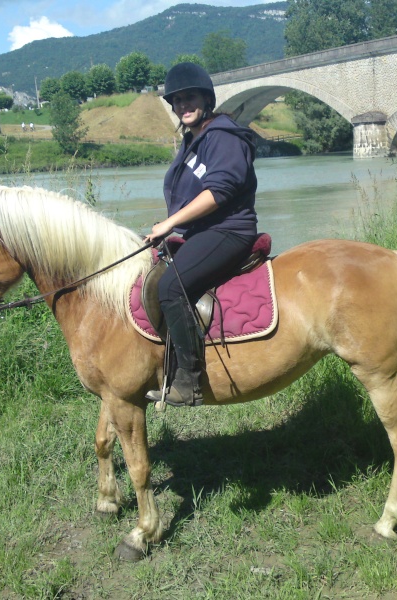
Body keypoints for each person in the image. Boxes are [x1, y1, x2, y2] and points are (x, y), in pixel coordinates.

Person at [144, 62, 258, 407]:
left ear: (206, 99)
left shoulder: (222, 137)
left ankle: (188, 380)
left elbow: (218, 192)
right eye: (176, 101)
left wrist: (168, 224)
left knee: (170, 286)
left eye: (189, 97)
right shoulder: (192, 141)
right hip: (202, 233)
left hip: (229, 230)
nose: (183, 105)